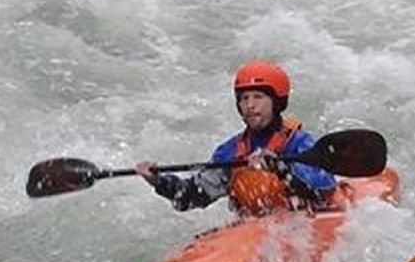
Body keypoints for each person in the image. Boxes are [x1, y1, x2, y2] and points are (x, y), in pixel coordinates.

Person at [133, 60, 340, 216]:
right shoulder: (230, 152)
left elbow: (325, 187)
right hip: (253, 231)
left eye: (258, 97)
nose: (250, 105)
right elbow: (193, 194)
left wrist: (281, 169)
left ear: (277, 102)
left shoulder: (298, 142)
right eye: (244, 99)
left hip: (299, 222)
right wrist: (158, 181)